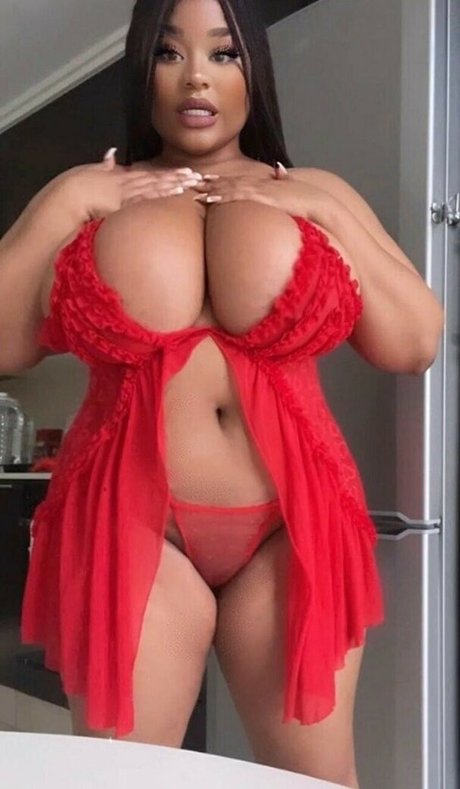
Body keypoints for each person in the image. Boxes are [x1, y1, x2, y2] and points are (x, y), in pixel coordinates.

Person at [0, 0, 443, 786]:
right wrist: (66, 200)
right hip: (129, 522)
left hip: (292, 527)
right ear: (142, 72)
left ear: (253, 73)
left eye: (224, 53)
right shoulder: (95, 195)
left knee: (317, 783)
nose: (196, 77)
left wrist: (322, 204)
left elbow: (415, 341)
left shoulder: (312, 191)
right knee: (117, 780)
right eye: (169, 53)